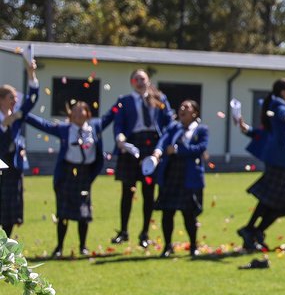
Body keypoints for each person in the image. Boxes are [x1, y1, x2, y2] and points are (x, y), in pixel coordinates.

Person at [25, 99, 106, 257]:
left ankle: (83, 246)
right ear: (70, 115)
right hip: (67, 173)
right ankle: (59, 247)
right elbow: (44, 125)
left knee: (84, 213)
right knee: (63, 213)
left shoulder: (94, 127)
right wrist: (24, 115)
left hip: (84, 174)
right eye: (74, 111)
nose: (77, 113)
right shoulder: (65, 129)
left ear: (88, 114)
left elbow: (110, 116)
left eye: (81, 110)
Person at [105, 69, 173, 247]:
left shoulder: (160, 99)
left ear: (148, 80)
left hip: (153, 145)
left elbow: (169, 124)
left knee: (149, 192)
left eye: (142, 78)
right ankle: (123, 231)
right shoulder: (124, 101)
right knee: (127, 191)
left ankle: (145, 233)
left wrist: (165, 145)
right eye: (136, 79)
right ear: (131, 82)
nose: (140, 82)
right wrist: (119, 138)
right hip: (131, 145)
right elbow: (118, 124)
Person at [236, 78, 285, 252]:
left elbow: (265, 131)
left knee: (274, 198)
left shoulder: (281, 105)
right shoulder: (279, 105)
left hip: (281, 159)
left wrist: (246, 128)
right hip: (279, 159)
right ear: (282, 91)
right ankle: (252, 230)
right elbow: (282, 114)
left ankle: (252, 231)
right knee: (276, 198)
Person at [148, 100, 209, 257]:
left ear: (195, 113)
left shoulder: (201, 129)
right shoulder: (174, 127)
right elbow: (163, 140)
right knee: (167, 213)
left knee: (189, 214)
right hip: (171, 174)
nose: (182, 109)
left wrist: (178, 150)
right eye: (181, 106)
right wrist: (157, 152)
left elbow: (200, 148)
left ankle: (193, 246)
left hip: (188, 175)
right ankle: (167, 246)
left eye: (186, 107)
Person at [0, 56, 40, 239]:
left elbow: (32, 99)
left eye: (16, 97)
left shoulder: (16, 117)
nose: (15, 100)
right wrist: (3, 127)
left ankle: (4, 245)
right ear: (1, 99)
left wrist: (32, 74)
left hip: (12, 167)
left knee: (9, 211)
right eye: (11, 97)